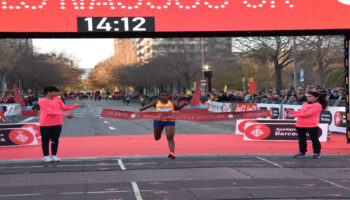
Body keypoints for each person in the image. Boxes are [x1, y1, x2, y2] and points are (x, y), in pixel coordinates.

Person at [38, 86, 85, 162]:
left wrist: (76, 105)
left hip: (57, 122)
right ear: (49, 92)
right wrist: (66, 115)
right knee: (46, 140)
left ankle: (54, 155)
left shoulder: (57, 99)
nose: (56, 93)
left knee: (55, 140)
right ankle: (46, 156)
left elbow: (65, 108)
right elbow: (50, 112)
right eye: (55, 92)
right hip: (46, 123)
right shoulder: (42, 101)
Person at [139, 91, 188, 160]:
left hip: (169, 121)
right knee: (157, 137)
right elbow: (141, 109)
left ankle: (172, 153)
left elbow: (176, 109)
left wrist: (183, 105)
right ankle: (159, 137)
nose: (164, 96)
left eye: (166, 95)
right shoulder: (156, 103)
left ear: (168, 96)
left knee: (170, 138)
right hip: (158, 121)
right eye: (162, 95)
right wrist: (145, 109)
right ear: (159, 96)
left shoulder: (171, 103)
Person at [287, 92, 328, 159]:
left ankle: (316, 152)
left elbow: (308, 114)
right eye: (308, 96)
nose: (308, 98)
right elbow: (301, 112)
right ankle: (302, 152)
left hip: (312, 125)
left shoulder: (318, 105)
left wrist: (293, 115)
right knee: (301, 139)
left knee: (314, 139)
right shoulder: (305, 104)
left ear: (316, 98)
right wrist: (290, 111)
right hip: (300, 124)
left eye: (310, 96)